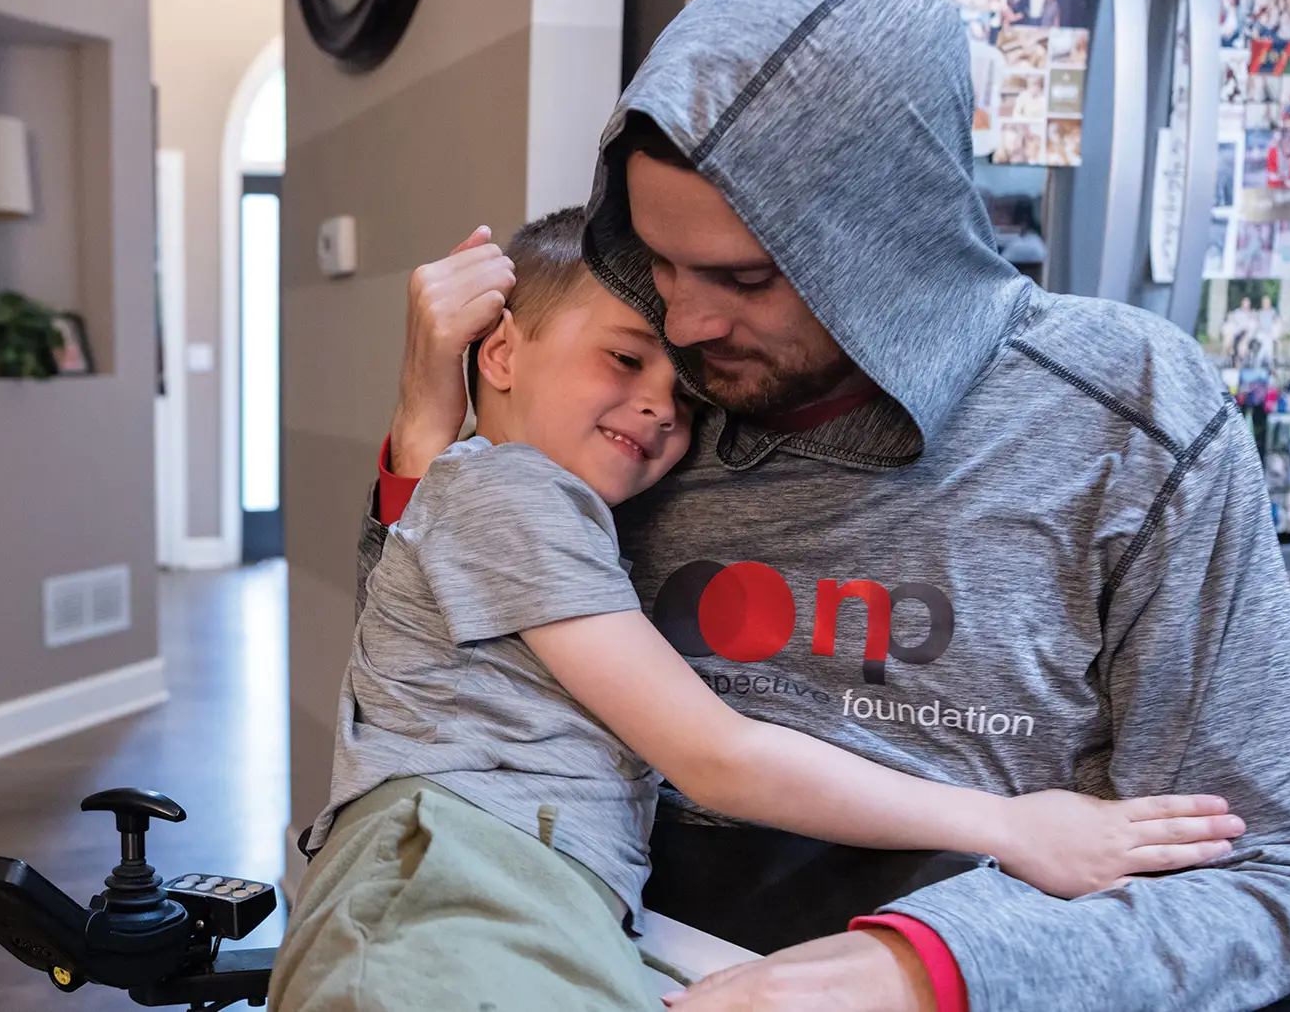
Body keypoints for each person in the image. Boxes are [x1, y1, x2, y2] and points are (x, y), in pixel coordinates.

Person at [368, 0, 1290, 1011]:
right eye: (660, 260)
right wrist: (423, 433)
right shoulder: (634, 415)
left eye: (741, 277)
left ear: (887, 246)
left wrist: (929, 969)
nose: (683, 324)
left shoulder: (1129, 416)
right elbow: (438, 673)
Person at [271, 212, 1240, 1012]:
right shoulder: (510, 493)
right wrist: (1019, 825)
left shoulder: (507, 494)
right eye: (623, 358)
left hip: (537, 891)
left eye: (682, 393)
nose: (660, 406)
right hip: (457, 894)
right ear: (503, 352)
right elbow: (714, 756)